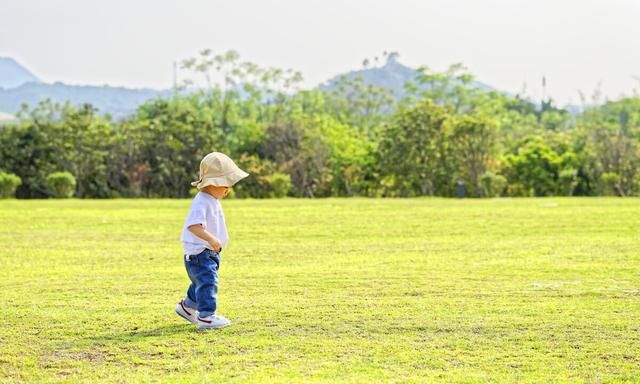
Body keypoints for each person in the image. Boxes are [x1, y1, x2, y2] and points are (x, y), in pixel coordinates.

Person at [175, 152, 249, 329]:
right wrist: (212, 239)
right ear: (212, 183)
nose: (228, 189)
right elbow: (193, 226)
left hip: (207, 252)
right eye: (225, 184)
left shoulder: (211, 199)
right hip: (201, 252)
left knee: (201, 281)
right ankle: (207, 317)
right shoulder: (202, 201)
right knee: (208, 282)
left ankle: (187, 307)